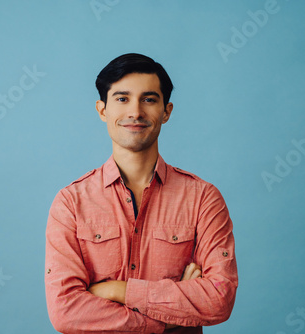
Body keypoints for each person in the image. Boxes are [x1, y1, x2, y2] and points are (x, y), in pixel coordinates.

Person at [45, 53, 238, 333]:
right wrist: (169, 316)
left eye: (148, 99)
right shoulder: (70, 203)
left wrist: (118, 291)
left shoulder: (203, 198)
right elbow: (65, 312)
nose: (135, 112)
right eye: (122, 99)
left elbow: (219, 299)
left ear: (166, 111)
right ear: (102, 110)